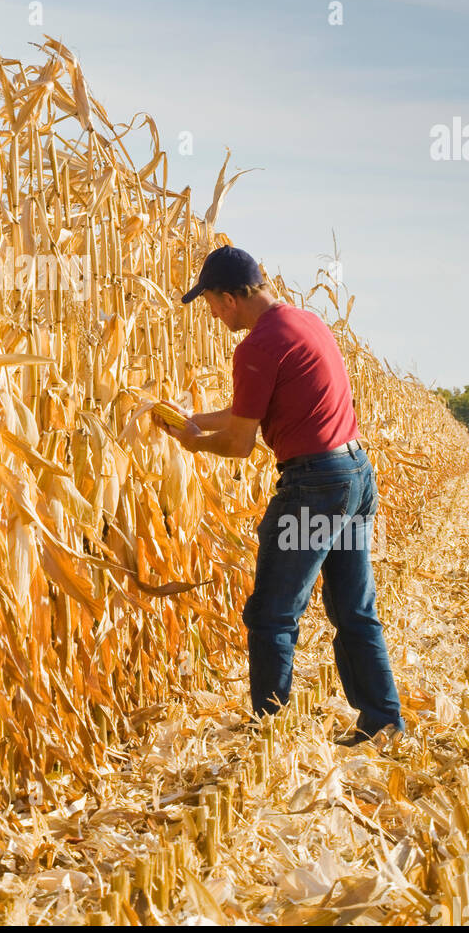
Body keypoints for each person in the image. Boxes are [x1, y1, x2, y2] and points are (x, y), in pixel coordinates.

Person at [153, 244, 404, 745]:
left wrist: (194, 443)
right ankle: (383, 720)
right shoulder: (304, 323)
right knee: (354, 609)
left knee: (272, 612)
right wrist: (185, 418)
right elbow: (244, 412)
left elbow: (240, 443)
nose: (210, 312)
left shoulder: (255, 347)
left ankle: (269, 731)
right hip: (353, 476)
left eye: (210, 302)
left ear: (229, 298)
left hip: (314, 486)